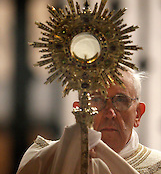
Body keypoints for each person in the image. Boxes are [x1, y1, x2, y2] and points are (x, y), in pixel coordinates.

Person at [16, 68, 161, 174]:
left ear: (138, 114)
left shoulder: (157, 165)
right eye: (97, 100)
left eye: (121, 101)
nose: (110, 113)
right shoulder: (43, 158)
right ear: (78, 110)